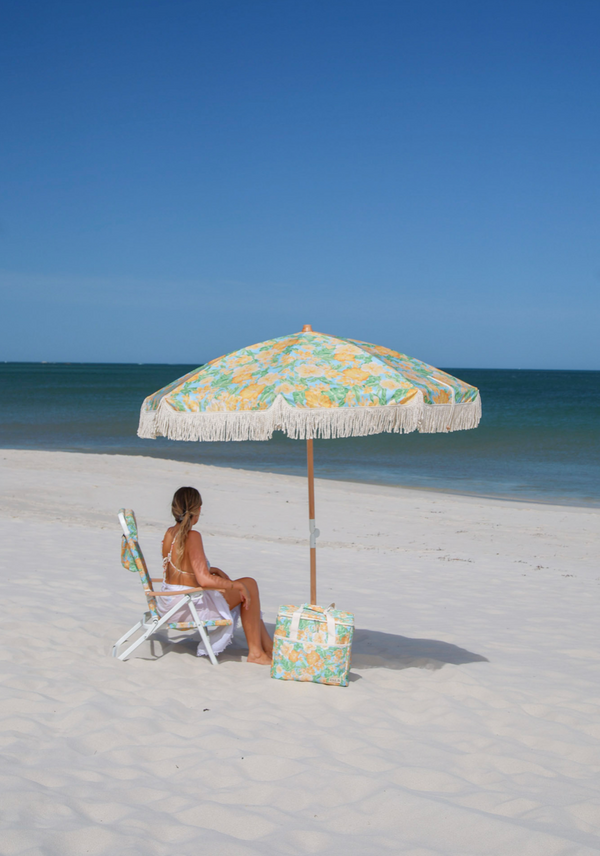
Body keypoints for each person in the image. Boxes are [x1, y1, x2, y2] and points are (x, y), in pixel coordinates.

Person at [158, 486, 272, 665]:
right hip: (188, 606)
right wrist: (236, 586)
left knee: (246, 586)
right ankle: (257, 653)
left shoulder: (169, 533)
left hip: (171, 603)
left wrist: (212, 570)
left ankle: (268, 647)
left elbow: (180, 570)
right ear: (199, 510)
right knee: (248, 585)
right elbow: (203, 580)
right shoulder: (192, 536)